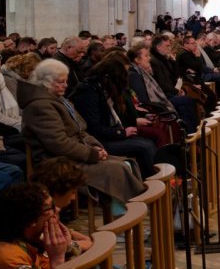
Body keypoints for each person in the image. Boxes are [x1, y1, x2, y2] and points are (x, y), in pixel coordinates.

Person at [18, 59, 145, 208]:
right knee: (117, 169)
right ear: (46, 82)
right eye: (60, 82)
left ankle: (125, 212)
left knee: (126, 163)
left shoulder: (58, 100)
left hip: (73, 155)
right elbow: (58, 143)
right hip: (56, 162)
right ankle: (123, 217)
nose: (66, 85)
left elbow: (81, 130)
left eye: (65, 81)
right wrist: (91, 154)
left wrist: (96, 147)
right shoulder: (39, 106)